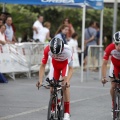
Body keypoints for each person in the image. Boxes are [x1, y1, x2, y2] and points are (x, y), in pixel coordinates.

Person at [36, 38, 73, 120]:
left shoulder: (68, 51)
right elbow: (42, 66)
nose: (56, 56)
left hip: (64, 66)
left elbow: (71, 68)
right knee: (52, 87)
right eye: (54, 54)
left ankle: (67, 112)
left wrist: (67, 80)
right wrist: (40, 80)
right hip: (55, 66)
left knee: (64, 85)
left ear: (62, 49)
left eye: (58, 54)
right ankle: (53, 107)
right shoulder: (47, 49)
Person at [101, 31, 120, 116]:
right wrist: (104, 77)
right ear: (113, 42)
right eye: (117, 43)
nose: (119, 46)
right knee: (113, 85)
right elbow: (104, 63)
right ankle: (114, 105)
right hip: (115, 64)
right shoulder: (110, 48)